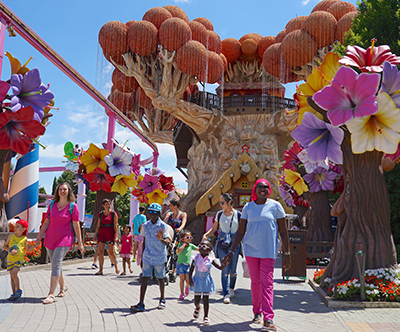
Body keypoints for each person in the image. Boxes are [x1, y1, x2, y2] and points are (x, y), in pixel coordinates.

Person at [222, 179, 291, 332]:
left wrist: (287, 252)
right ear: (255, 189)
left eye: (266, 187)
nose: (263, 189)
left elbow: (283, 231)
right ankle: (256, 312)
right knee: (255, 282)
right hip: (251, 250)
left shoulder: (275, 206)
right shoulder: (248, 207)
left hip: (268, 250)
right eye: (260, 187)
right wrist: (232, 250)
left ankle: (268, 317)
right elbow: (240, 231)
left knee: (267, 282)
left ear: (269, 190)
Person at [35, 182, 84, 304]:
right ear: (57, 191)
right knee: (56, 263)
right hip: (50, 238)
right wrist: (39, 236)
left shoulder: (73, 206)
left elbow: (76, 225)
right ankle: (63, 287)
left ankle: (51, 294)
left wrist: (80, 243)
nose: (62, 191)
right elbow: (46, 222)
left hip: (65, 238)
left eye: (65, 189)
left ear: (69, 191)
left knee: (56, 262)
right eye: (60, 189)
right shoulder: (52, 205)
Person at [202, 193, 241, 304]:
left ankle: (231, 289)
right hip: (223, 244)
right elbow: (214, 228)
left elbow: (242, 230)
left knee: (233, 269)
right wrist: (206, 234)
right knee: (224, 269)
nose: (220, 205)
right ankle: (226, 293)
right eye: (219, 202)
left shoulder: (238, 214)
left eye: (222, 202)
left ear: (229, 202)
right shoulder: (219, 214)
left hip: (234, 244)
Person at [131, 203, 169, 312]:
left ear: (159, 213)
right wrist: (142, 257)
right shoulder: (145, 226)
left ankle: (162, 299)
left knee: (160, 279)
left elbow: (167, 243)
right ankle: (141, 303)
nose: (152, 214)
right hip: (147, 256)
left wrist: (161, 239)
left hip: (159, 257)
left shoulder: (163, 226)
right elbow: (143, 241)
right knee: (144, 278)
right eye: (150, 212)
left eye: (155, 212)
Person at [189, 240, 225, 326]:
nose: (201, 247)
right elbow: (191, 270)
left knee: (206, 299)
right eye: (200, 245)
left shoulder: (211, 260)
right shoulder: (196, 258)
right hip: (197, 280)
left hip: (206, 281)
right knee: (196, 299)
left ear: (209, 250)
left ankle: (206, 316)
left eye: (204, 246)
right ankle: (197, 308)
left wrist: (225, 263)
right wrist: (190, 279)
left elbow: (220, 267)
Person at [4, 219, 38, 300]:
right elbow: (4, 247)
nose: (15, 228)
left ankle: (18, 290)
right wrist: (10, 250)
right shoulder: (10, 236)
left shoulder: (24, 239)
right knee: (12, 277)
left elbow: (28, 249)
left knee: (14, 274)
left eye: (18, 227)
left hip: (18, 259)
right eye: (15, 226)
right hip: (10, 259)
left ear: (23, 229)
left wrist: (35, 246)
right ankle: (14, 293)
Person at [93, 198, 119, 275]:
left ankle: (116, 267)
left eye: (109, 204)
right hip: (102, 234)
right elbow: (98, 226)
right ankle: (101, 270)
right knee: (100, 252)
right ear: (103, 205)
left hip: (110, 234)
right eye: (107, 204)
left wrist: (116, 236)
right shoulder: (100, 214)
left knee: (111, 252)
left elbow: (115, 226)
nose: (108, 206)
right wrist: (95, 235)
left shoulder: (113, 214)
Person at [163, 199, 187, 282]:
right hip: (170, 235)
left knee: (176, 253)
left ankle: (174, 271)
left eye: (171, 205)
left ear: (175, 206)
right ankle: (166, 268)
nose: (169, 207)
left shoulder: (183, 214)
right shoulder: (169, 214)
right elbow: (165, 222)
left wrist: (179, 228)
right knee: (168, 251)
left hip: (178, 235)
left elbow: (183, 223)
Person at [177, 230, 197, 300]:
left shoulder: (191, 246)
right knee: (182, 279)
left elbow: (197, 249)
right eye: (187, 237)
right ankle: (182, 293)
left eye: (190, 237)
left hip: (187, 265)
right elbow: (179, 251)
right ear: (182, 239)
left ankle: (187, 287)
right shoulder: (180, 245)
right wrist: (183, 245)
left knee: (188, 280)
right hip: (180, 264)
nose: (189, 239)